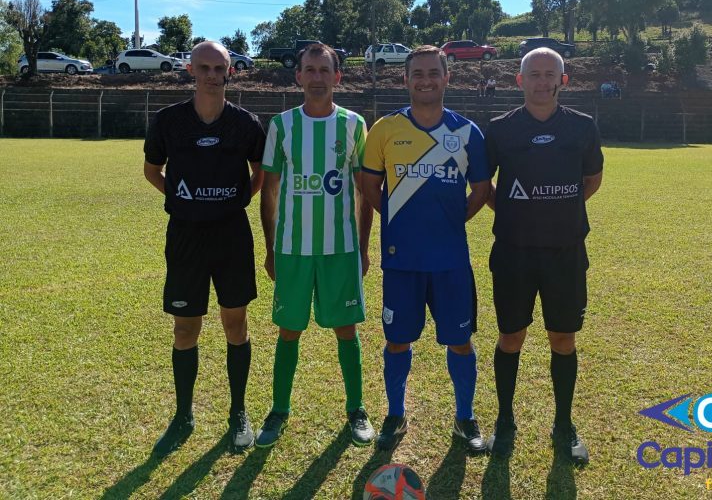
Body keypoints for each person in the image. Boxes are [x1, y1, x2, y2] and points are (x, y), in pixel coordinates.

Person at [361, 45, 492, 453]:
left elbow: (481, 190)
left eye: (434, 72)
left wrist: (450, 221)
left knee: (460, 340)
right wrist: (398, 217)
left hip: (450, 260)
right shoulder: (384, 129)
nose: (426, 80)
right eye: (417, 73)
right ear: (405, 79)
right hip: (402, 260)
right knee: (398, 340)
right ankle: (395, 414)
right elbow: (369, 186)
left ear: (447, 77)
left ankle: (465, 417)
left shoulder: (468, 133)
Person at [143, 41, 266, 456]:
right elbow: (152, 171)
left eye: (219, 68)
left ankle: (238, 412)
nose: (212, 75)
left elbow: (259, 173)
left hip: (232, 235)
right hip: (186, 236)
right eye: (204, 67)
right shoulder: (168, 121)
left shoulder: (246, 124)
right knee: (185, 329)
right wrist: (184, 200)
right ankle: (183, 416)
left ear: (230, 71)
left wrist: (235, 200)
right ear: (191, 70)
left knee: (236, 325)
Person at [484, 48, 603, 465]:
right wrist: (516, 209)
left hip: (565, 253)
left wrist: (559, 210)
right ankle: (505, 421)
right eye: (533, 74)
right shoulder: (500, 129)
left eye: (549, 74)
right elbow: (484, 186)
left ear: (562, 80)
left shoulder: (582, 127)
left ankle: (563, 425)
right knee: (510, 337)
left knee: (563, 339)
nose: (541, 81)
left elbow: (592, 179)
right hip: (513, 252)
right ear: (520, 80)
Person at [256, 43, 375, 448]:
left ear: (337, 76)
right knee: (289, 329)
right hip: (293, 249)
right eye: (310, 69)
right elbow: (270, 192)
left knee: (346, 328)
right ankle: (279, 410)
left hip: (340, 248)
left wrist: (363, 247)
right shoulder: (282, 125)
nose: (318, 77)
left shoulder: (354, 125)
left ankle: (356, 409)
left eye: (325, 70)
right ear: (299, 76)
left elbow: (363, 191)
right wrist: (270, 249)